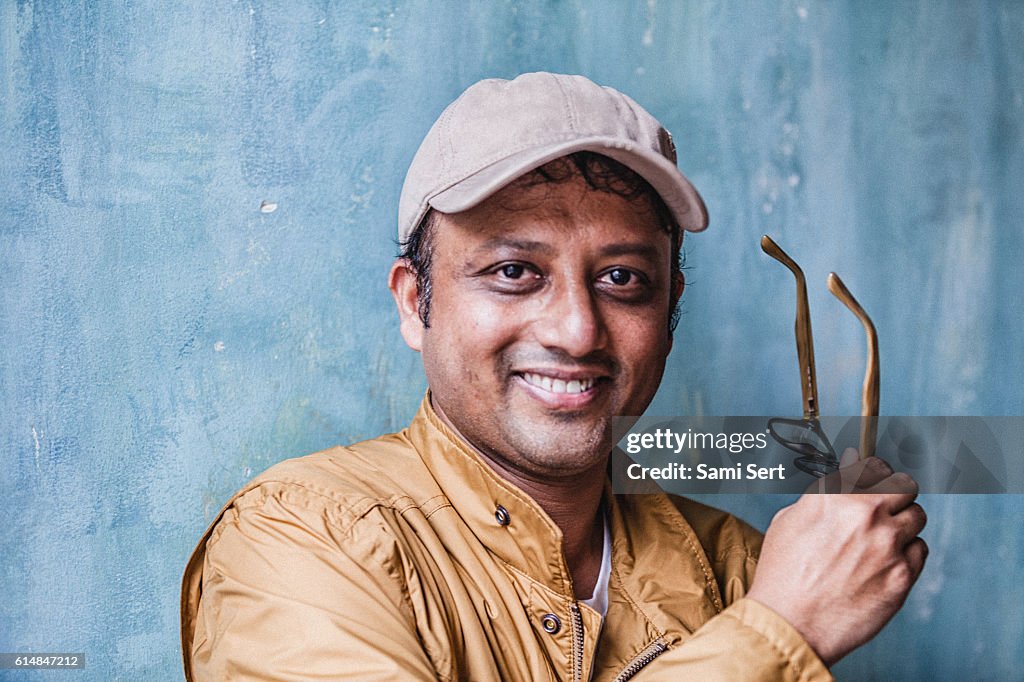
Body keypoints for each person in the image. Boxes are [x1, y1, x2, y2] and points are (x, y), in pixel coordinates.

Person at [180, 72, 927, 681]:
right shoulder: (304, 538)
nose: (576, 331)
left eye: (623, 278)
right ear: (416, 303)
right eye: (513, 271)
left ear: (670, 310)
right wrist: (780, 632)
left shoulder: (737, 567)